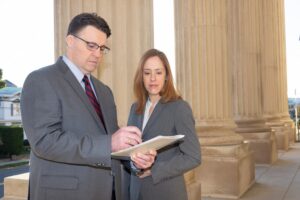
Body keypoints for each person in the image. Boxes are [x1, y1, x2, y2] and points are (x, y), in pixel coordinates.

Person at [20, 13, 156, 200]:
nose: (98, 54)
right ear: (70, 40)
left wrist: (135, 159)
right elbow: (45, 141)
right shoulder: (41, 80)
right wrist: (110, 143)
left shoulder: (104, 91)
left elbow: (112, 147)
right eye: (91, 46)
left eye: (102, 48)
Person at [128, 49, 201, 200]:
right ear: (141, 77)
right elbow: (131, 150)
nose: (152, 78)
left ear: (167, 76)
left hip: (166, 191)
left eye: (158, 72)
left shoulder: (179, 108)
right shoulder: (135, 108)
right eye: (147, 73)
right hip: (136, 192)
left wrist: (154, 170)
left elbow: (193, 156)